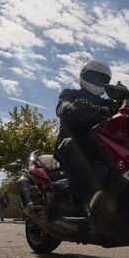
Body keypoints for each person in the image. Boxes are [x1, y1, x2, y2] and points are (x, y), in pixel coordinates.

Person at [54, 60, 115, 213]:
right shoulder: (70, 94)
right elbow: (61, 107)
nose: (98, 81)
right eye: (94, 77)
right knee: (75, 146)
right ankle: (77, 202)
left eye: (102, 79)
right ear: (84, 76)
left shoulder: (107, 103)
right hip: (68, 145)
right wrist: (73, 107)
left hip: (96, 147)